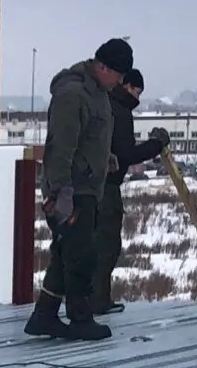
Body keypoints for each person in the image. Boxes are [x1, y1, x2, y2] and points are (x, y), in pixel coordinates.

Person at [26, 37, 132, 340]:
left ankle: (44, 315)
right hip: (73, 189)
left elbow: (89, 137)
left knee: (67, 250)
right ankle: (80, 317)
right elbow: (60, 146)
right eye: (118, 75)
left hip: (88, 186)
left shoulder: (98, 93)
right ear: (103, 67)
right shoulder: (73, 94)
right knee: (81, 254)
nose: (120, 82)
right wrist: (61, 192)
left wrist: (104, 157)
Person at [93, 68, 172, 317]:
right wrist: (156, 144)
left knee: (90, 245)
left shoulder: (101, 103)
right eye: (137, 91)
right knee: (107, 245)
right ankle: (98, 300)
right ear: (126, 86)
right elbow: (127, 154)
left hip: (89, 185)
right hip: (106, 187)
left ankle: (87, 299)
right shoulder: (120, 111)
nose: (137, 98)